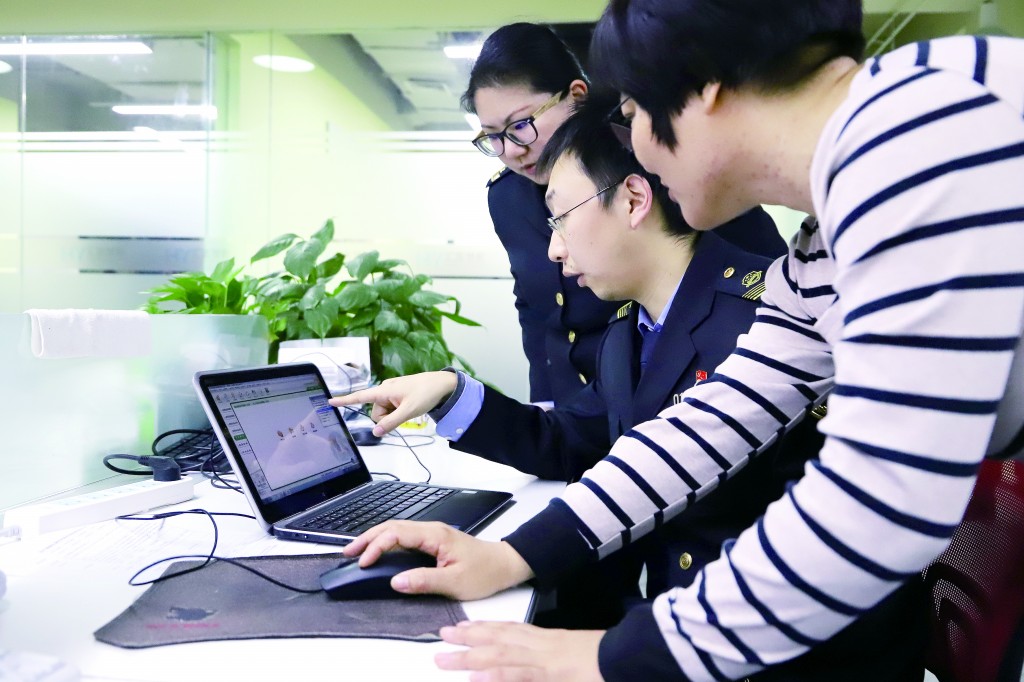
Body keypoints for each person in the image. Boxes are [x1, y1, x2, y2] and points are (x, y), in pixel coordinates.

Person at [339, 4, 1024, 680]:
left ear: (704, 87)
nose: (633, 146)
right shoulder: (829, 236)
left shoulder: (923, 139)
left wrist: (612, 656)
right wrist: (513, 555)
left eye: (633, 111)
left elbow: (875, 503)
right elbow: (715, 420)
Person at [465, 22, 785, 406]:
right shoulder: (507, 198)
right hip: (582, 404)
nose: (512, 150)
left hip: (675, 384)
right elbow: (536, 311)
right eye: (493, 136)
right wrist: (547, 406)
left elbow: (757, 269)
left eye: (520, 125)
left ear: (576, 95)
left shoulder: (650, 161)